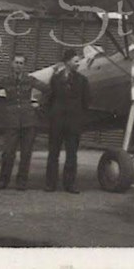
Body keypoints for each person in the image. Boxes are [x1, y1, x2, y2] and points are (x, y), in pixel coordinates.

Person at [0, 54, 49, 191]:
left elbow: (49, 90)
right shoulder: (6, 80)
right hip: (12, 121)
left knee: (26, 153)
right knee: (8, 152)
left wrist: (40, 105)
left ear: (24, 66)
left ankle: (21, 182)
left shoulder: (30, 80)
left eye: (21, 63)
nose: (18, 65)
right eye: (16, 62)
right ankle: (3, 181)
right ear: (12, 64)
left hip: (29, 121)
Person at [45, 49, 91, 194]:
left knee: (72, 154)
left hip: (73, 123)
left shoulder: (83, 81)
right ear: (67, 62)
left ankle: (69, 185)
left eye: (78, 61)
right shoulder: (55, 79)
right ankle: (50, 184)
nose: (78, 63)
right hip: (57, 122)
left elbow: (87, 102)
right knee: (53, 154)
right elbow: (49, 99)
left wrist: (78, 117)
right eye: (75, 61)